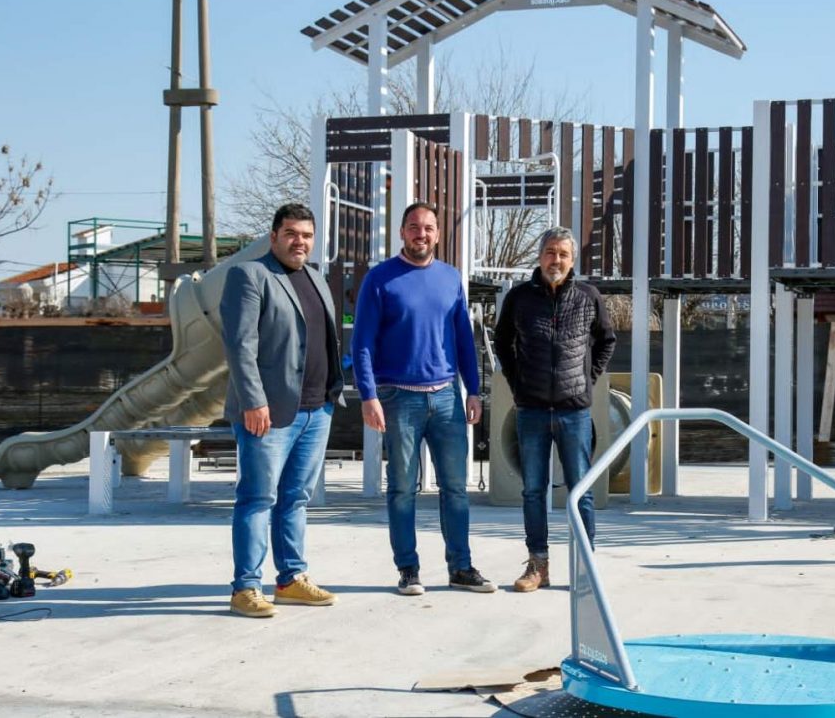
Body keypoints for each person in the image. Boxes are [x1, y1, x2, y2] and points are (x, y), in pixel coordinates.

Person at [352, 202, 495, 596]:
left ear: (437, 233)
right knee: (401, 488)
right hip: (398, 398)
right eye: (414, 226)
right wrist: (368, 395)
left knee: (456, 488)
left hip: (448, 397)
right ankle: (408, 569)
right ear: (402, 232)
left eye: (429, 227)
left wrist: (474, 390)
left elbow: (464, 340)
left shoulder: (451, 279)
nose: (422, 234)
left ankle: (461, 567)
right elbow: (361, 343)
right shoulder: (380, 280)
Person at [221, 203, 344, 618]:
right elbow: (240, 346)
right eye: (291, 233)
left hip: (316, 409)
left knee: (295, 499)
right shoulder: (249, 275)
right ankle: (245, 588)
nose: (300, 242)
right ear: (273, 237)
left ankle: (290, 579)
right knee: (257, 498)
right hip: (268, 414)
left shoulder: (316, 279)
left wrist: (330, 396)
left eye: (307, 235)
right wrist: (254, 401)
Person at [493, 227, 616, 592]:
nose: (556, 260)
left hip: (574, 411)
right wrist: (519, 386)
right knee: (533, 489)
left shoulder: (588, 297)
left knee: (581, 489)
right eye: (550, 252)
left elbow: (607, 340)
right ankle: (538, 565)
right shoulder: (518, 299)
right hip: (531, 410)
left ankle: (585, 568)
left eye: (563, 254)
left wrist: (586, 379)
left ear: (572, 259)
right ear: (540, 256)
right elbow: (503, 343)